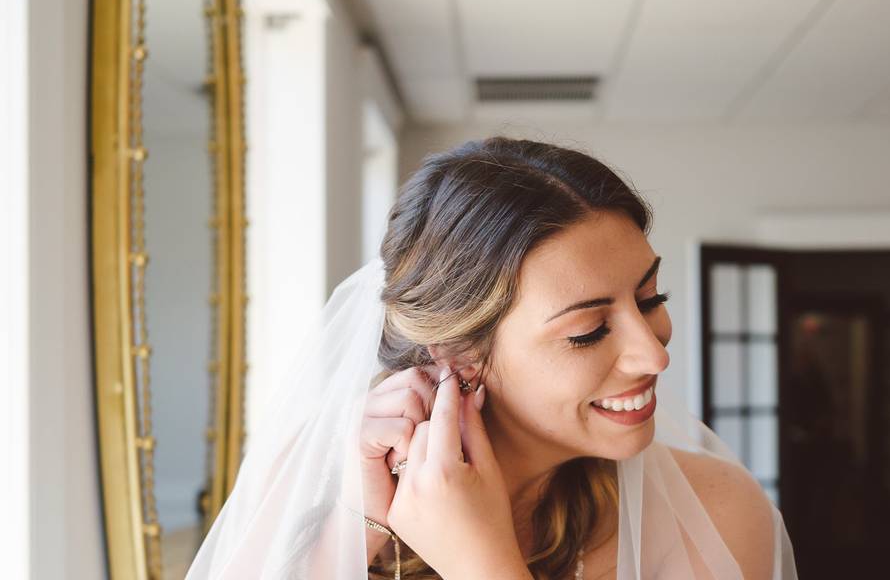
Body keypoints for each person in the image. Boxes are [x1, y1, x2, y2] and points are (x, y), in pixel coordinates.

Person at [186, 136, 797, 579]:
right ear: (459, 353)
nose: (654, 355)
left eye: (649, 297)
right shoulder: (316, 478)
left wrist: (485, 566)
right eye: (588, 330)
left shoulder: (716, 513)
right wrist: (357, 523)